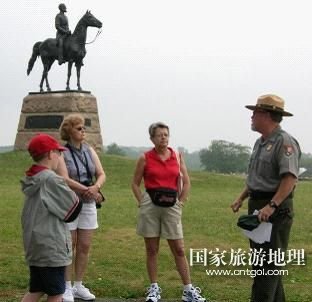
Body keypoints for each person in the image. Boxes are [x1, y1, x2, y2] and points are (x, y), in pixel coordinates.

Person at [230, 94, 301, 302]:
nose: (251, 116)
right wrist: (241, 197)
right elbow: (257, 177)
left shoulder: (285, 142)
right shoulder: (260, 142)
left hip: (274, 210)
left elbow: (289, 178)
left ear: (267, 115)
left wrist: (272, 205)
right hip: (258, 207)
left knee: (267, 266)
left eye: (256, 112)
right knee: (265, 264)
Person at [131, 122, 207, 302]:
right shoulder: (145, 158)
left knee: (179, 249)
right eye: (159, 135)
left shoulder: (178, 156)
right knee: (152, 249)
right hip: (150, 204)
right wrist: (142, 201)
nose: (163, 138)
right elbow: (135, 183)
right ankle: (154, 288)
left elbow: (186, 182)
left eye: (166, 134)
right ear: (152, 138)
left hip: (172, 204)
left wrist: (180, 202)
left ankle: (188, 290)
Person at [21, 134, 82, 302]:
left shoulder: (32, 178)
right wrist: (64, 176)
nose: (61, 156)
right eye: (58, 153)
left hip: (36, 244)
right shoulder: (51, 179)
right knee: (56, 292)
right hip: (51, 246)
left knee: (37, 289)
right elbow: (74, 209)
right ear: (50, 154)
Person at [56, 114, 106, 302]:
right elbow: (64, 178)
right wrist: (88, 189)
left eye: (84, 128)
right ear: (69, 130)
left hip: (88, 202)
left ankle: (78, 285)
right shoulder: (61, 152)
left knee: (84, 245)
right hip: (70, 203)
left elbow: (101, 173)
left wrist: (96, 188)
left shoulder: (89, 150)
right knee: (70, 245)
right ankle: (66, 286)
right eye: (79, 128)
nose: (83, 130)